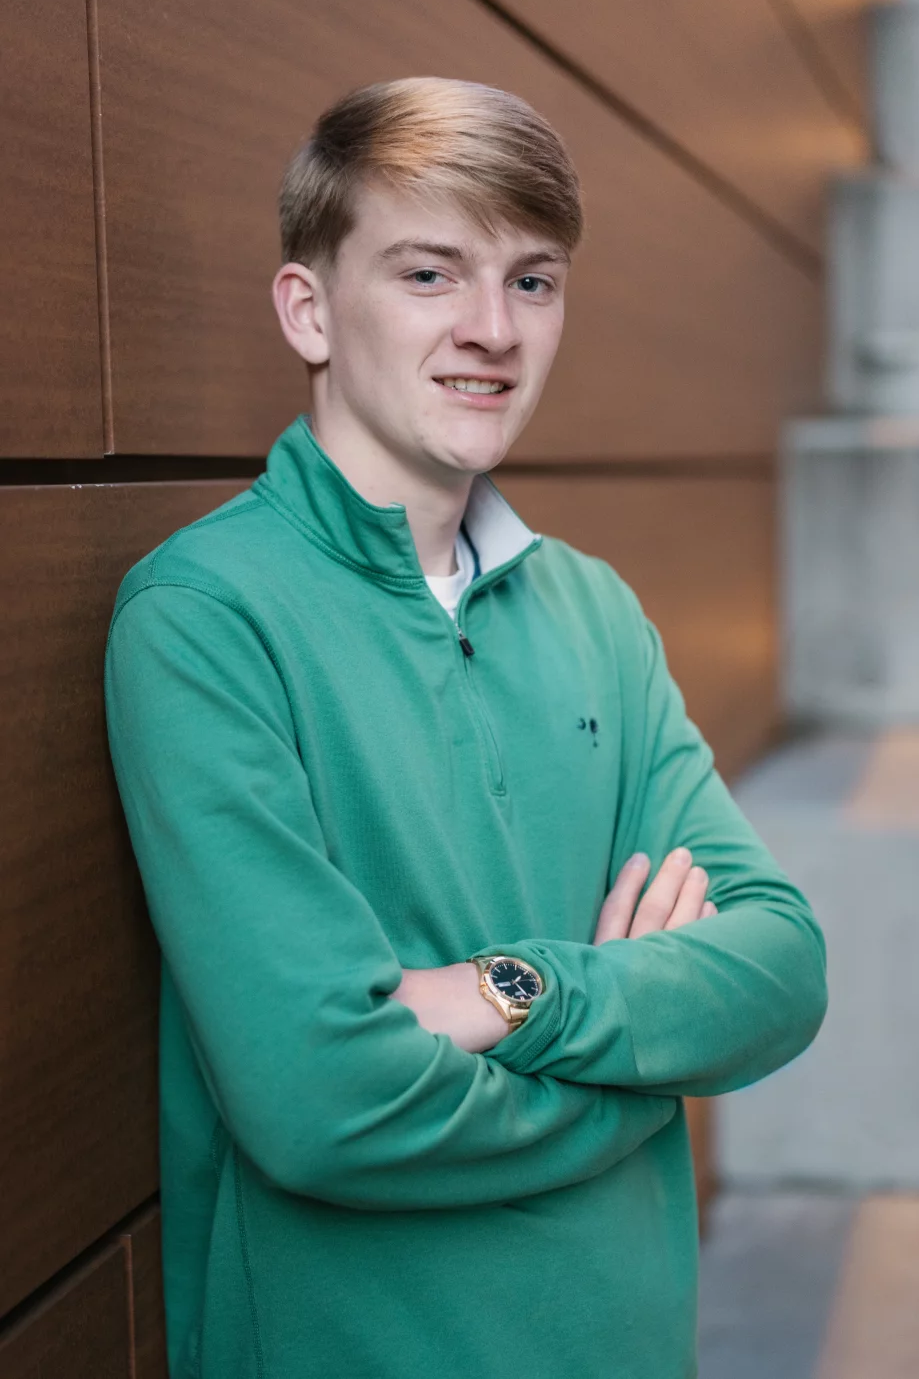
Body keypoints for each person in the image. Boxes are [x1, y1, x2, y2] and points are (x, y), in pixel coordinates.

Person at [104, 76, 828, 1379]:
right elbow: (324, 1103)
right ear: (310, 309)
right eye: (430, 274)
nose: (492, 329)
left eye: (532, 281)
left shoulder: (594, 608)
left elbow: (778, 972)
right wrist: (648, 1067)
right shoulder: (205, 618)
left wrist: (513, 995)